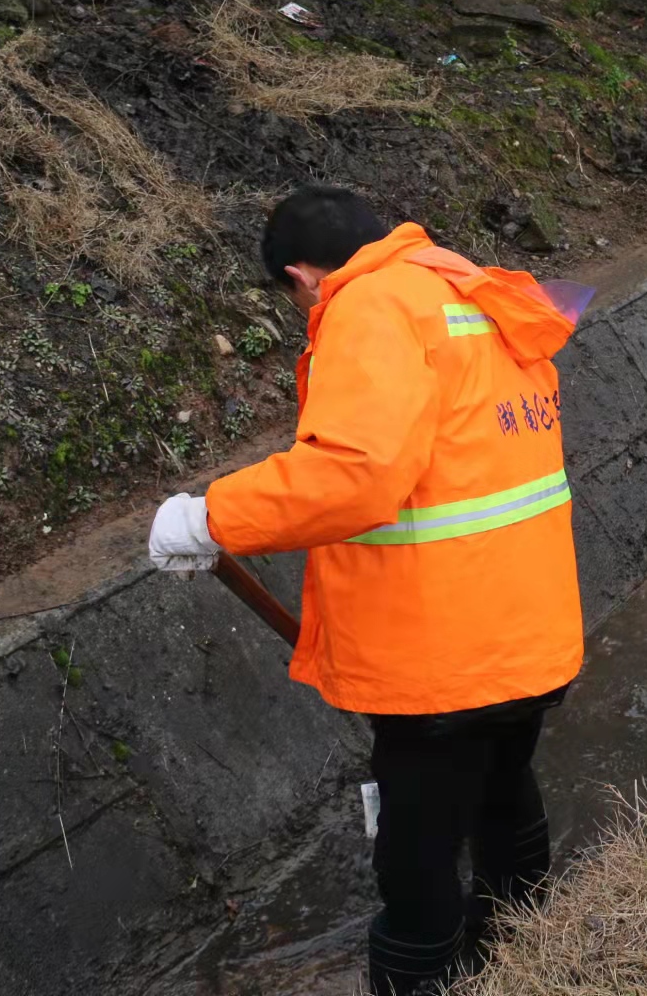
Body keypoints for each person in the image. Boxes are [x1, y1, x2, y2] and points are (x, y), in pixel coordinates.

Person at [147, 186, 588, 995]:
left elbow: (353, 476)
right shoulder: (470, 289)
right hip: (526, 629)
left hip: (439, 655)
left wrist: (208, 518)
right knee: (502, 792)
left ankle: (424, 977)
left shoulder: (372, 307)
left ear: (303, 276)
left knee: (415, 852)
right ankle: (525, 955)